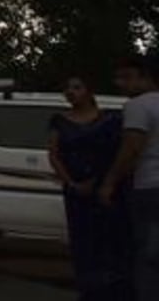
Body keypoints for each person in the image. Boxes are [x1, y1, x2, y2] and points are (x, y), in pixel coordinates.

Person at [50, 75, 131, 301]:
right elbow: (54, 155)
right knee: (83, 242)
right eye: (67, 88)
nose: (71, 92)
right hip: (77, 192)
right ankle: (89, 290)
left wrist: (106, 181)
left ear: (89, 91)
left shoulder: (109, 120)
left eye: (76, 87)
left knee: (111, 239)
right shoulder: (59, 121)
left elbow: (119, 152)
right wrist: (72, 183)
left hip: (107, 188)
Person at [103, 56, 159, 301]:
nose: (120, 83)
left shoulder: (137, 106)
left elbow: (131, 148)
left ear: (145, 77)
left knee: (147, 253)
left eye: (126, 77)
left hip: (149, 186)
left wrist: (110, 182)